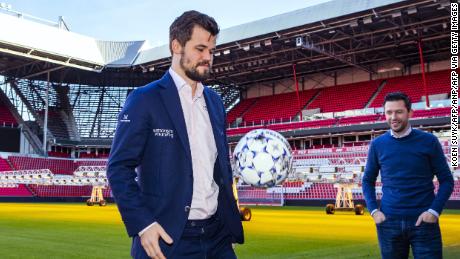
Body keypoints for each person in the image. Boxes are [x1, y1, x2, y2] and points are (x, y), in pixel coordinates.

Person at [107, 10, 244, 259]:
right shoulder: (144, 99)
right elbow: (118, 168)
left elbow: (221, 169)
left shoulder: (214, 102)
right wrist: (143, 224)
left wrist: (228, 225)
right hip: (168, 239)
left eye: (211, 51)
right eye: (200, 49)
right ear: (176, 46)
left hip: (217, 238)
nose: (207, 58)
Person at [362, 92, 454, 259]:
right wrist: (374, 211)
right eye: (389, 112)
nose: (393, 117)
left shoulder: (429, 141)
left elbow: (447, 180)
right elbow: (367, 180)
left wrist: (434, 211)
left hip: (424, 222)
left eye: (399, 112)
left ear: (410, 113)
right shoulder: (377, 145)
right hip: (388, 223)